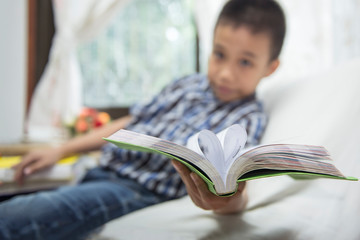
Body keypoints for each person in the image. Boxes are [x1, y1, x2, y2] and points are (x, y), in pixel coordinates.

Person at [0, 0, 286, 239]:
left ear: (270, 68)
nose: (225, 73)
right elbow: (130, 122)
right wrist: (60, 151)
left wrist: (227, 200)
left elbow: (235, 181)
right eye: (219, 54)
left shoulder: (247, 117)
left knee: (18, 216)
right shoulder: (187, 84)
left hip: (135, 190)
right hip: (98, 169)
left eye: (245, 62)